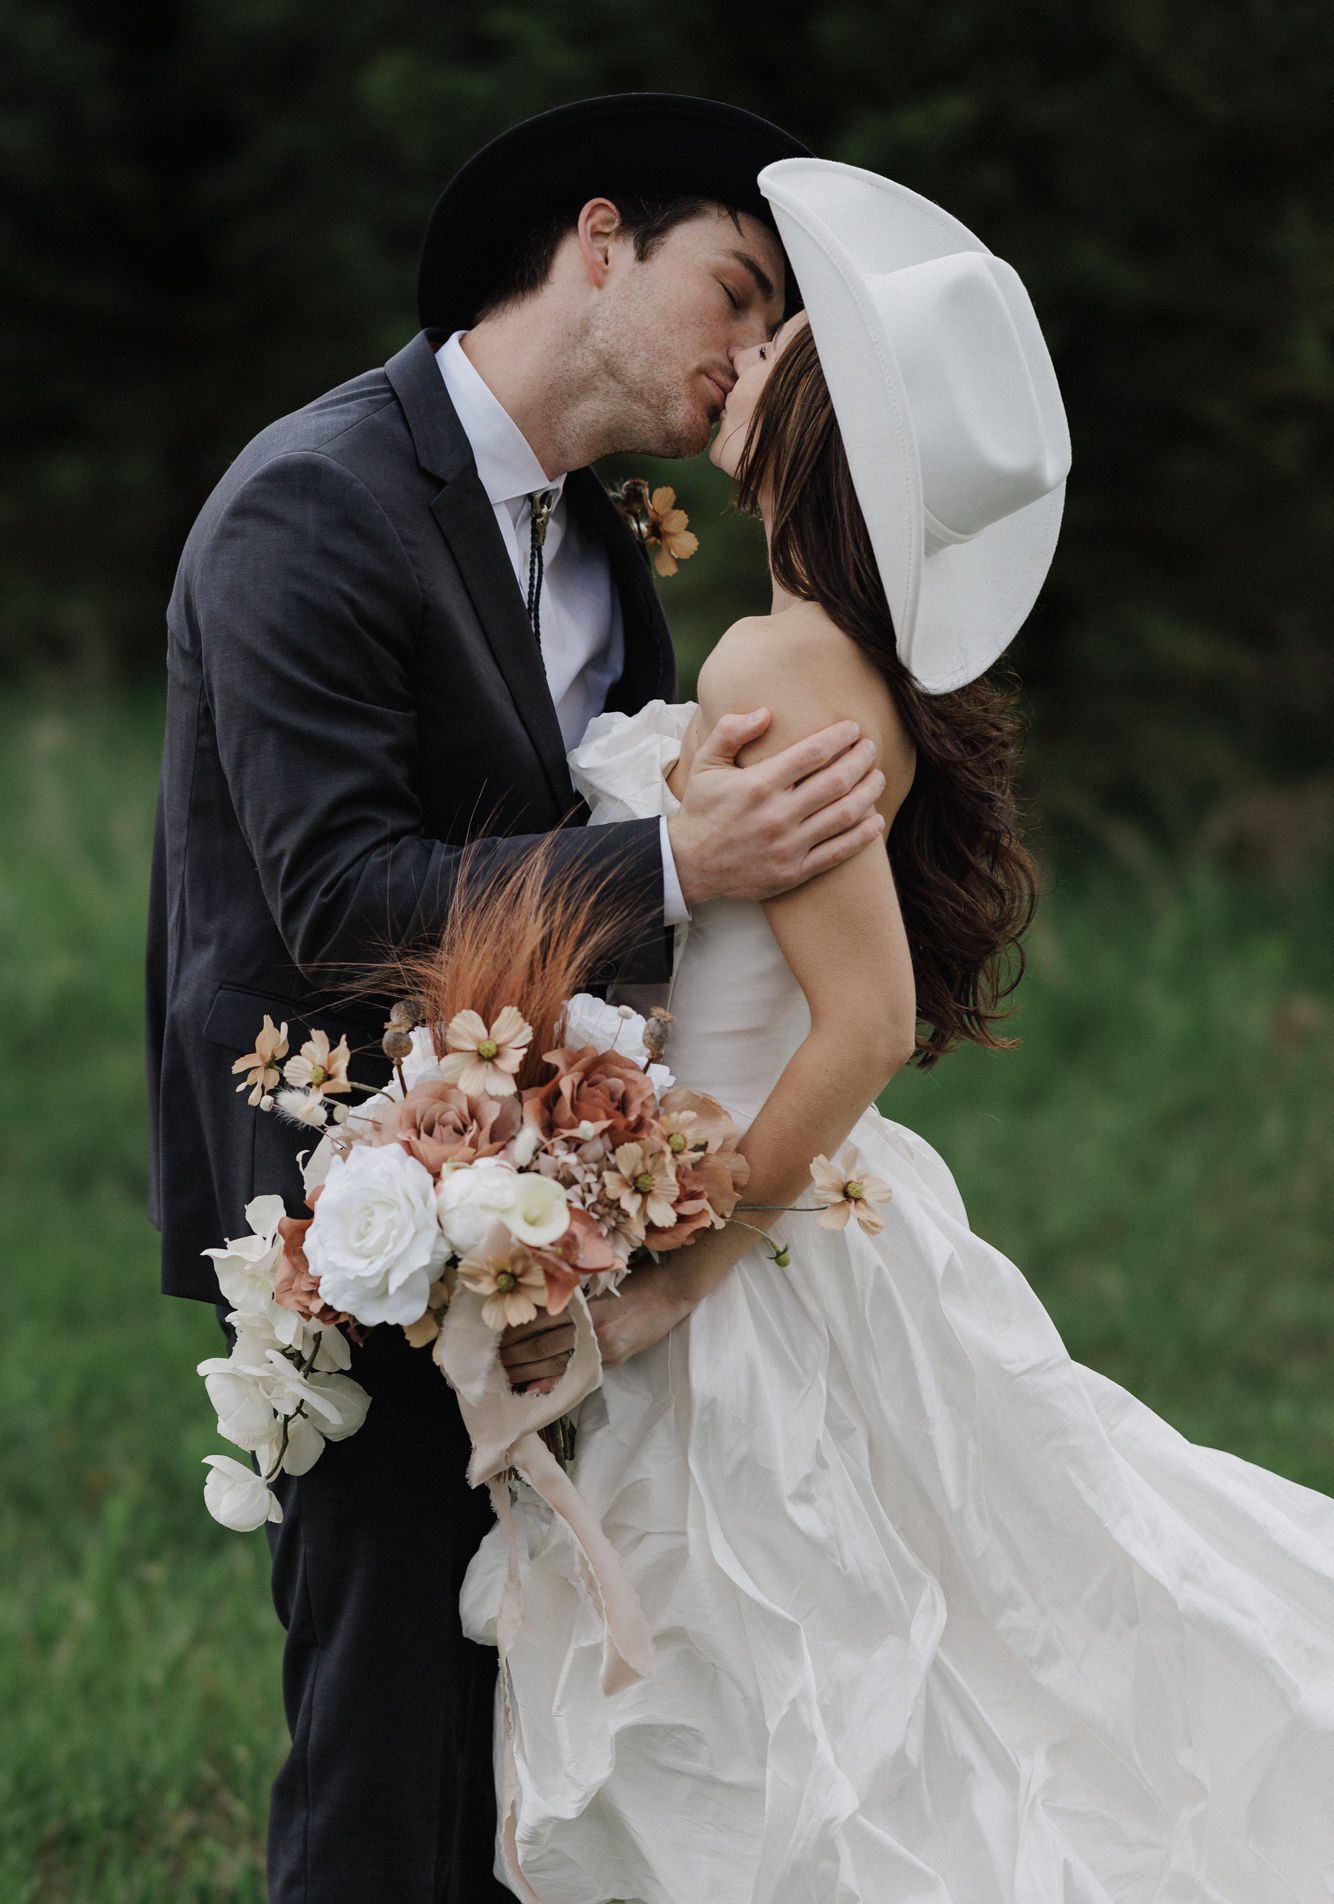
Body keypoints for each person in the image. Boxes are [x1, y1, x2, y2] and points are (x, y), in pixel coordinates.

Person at [459, 159, 1334, 1903]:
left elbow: (862, 1025)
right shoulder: (827, 651)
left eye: (788, 343)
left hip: (743, 1240)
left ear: (833, 425)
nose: (753, 352)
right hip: (760, 1198)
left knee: (793, 1713)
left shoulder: (776, 665)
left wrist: (673, 1283)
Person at [146, 98, 893, 1904]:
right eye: (736, 292)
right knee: (385, 1731)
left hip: (558, 1203)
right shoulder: (310, 504)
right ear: (597, 238)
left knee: (536, 1738)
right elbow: (333, 904)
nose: (752, 356)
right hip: (354, 1211)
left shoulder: (604, 547)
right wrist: (672, 870)